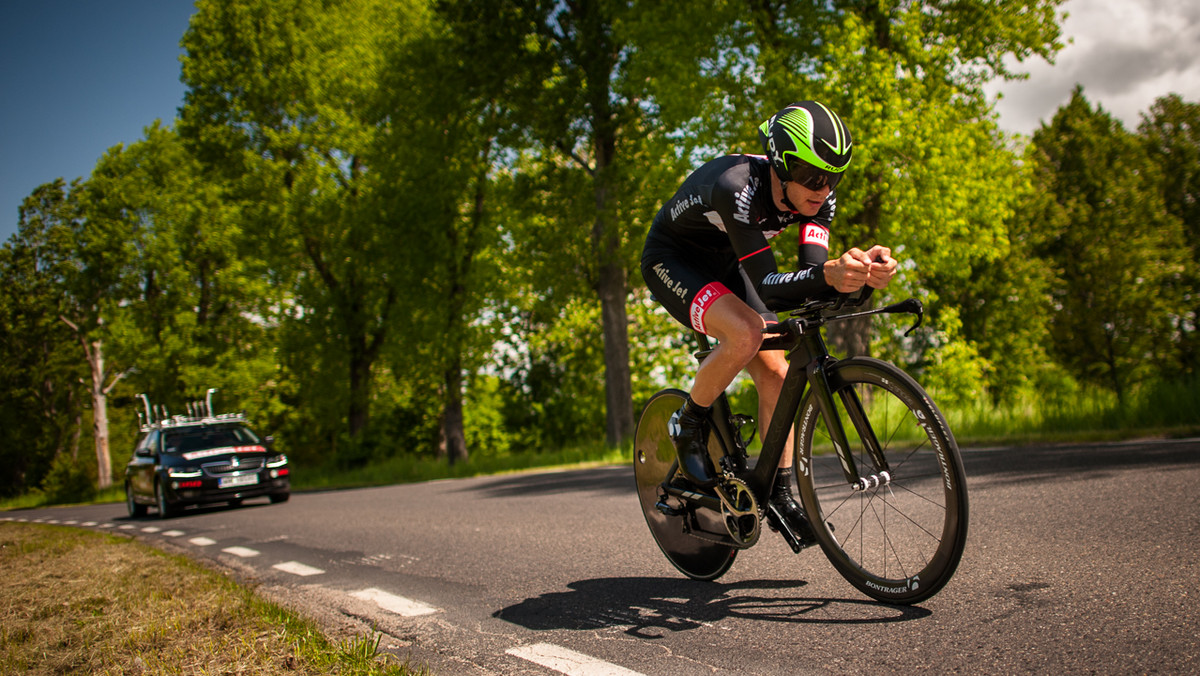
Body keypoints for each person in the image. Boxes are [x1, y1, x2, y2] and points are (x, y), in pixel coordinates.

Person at [640, 100, 898, 537]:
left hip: (733, 260)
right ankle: (688, 421)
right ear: (781, 161)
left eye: (834, 177)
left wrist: (859, 275)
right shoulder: (736, 187)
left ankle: (777, 492)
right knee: (747, 333)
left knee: (778, 371)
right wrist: (829, 274)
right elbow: (775, 285)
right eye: (813, 176)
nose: (823, 188)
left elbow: (808, 280)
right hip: (675, 260)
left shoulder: (819, 202)